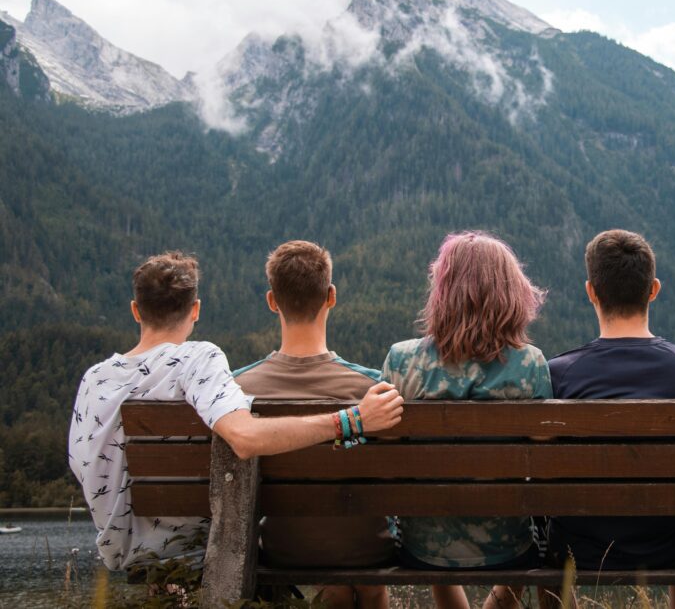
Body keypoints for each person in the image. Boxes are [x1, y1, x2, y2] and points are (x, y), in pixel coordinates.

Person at [68, 251, 404, 572]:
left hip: (121, 547)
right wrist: (352, 419)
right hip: (196, 545)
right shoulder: (197, 362)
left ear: (135, 310)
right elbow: (243, 437)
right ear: (195, 309)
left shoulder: (94, 378)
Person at [379, 231, 551, 609]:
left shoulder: (402, 361)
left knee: (436, 524)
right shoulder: (530, 364)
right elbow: (541, 459)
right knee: (534, 540)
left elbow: (383, 449)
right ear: (510, 293)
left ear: (442, 291)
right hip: (509, 546)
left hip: (421, 546)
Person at [545, 229, 675, 609]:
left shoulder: (559, 374)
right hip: (672, 544)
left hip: (575, 547)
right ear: (653, 289)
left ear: (591, 291)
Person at [233, 241, 392, 609]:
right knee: (367, 582)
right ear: (331, 296)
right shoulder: (372, 387)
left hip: (283, 547)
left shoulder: (237, 389)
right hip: (367, 547)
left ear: (272, 301)